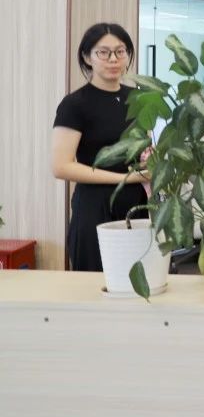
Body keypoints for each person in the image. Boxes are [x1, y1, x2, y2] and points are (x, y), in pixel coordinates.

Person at [51, 23, 151, 271]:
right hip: (95, 205)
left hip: (135, 203)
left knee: (137, 280)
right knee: (94, 282)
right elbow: (61, 167)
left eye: (120, 51)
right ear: (88, 57)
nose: (113, 59)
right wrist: (123, 178)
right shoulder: (75, 104)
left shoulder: (138, 99)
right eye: (103, 52)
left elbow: (144, 147)